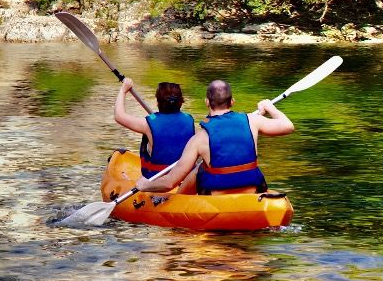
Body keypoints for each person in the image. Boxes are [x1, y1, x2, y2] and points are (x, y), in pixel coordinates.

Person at [136, 79, 295, 195]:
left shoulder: (199, 138)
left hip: (216, 194)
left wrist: (146, 185)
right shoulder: (252, 120)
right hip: (253, 189)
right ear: (232, 101)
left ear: (206, 102)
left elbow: (170, 181)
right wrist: (269, 107)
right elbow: (288, 126)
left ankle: (180, 201)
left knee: (199, 168)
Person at [113, 77, 194, 178]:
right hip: (184, 178)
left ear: (158, 102)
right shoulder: (189, 120)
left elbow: (119, 116)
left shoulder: (148, 124)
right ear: (181, 102)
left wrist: (123, 90)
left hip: (156, 180)